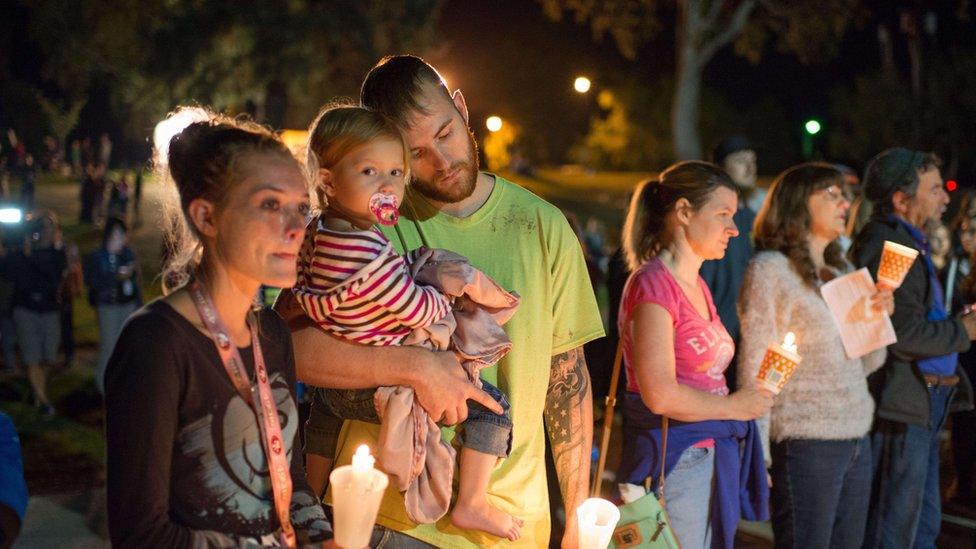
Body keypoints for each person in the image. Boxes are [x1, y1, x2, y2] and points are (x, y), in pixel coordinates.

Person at [276, 55, 603, 548]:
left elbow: (567, 378)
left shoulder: (543, 225)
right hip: (383, 517)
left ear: (461, 108)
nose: (442, 162)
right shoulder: (361, 218)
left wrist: (577, 517)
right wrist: (416, 367)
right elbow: (287, 345)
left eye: (445, 134)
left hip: (513, 524)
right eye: (416, 153)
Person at [104, 108, 331, 547]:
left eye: (301, 208)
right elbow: (141, 535)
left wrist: (319, 536)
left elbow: (292, 477)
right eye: (270, 205)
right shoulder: (155, 344)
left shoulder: (273, 333)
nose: (295, 228)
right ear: (207, 217)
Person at [295, 104, 520, 540]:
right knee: (492, 408)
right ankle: (472, 503)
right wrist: (440, 298)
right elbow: (414, 307)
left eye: (397, 174)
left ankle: (310, 485)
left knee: (322, 410)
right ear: (328, 179)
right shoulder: (364, 250)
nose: (388, 186)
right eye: (369, 171)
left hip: (337, 382)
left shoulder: (321, 230)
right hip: (375, 382)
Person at [615, 162, 771, 549]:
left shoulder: (697, 283)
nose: (734, 229)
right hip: (675, 460)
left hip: (708, 452)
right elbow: (661, 395)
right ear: (684, 212)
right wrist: (736, 407)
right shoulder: (654, 286)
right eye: (723, 215)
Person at [738, 163, 893, 548]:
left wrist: (877, 319)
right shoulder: (771, 270)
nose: (845, 203)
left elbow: (868, 363)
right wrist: (759, 455)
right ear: (796, 204)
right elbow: (756, 368)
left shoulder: (842, 268)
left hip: (856, 434)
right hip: (806, 442)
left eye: (845, 195)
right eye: (831, 194)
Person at [850, 147, 976, 548]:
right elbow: (898, 332)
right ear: (901, 200)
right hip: (901, 402)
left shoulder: (907, 243)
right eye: (935, 189)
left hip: (922, 401)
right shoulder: (891, 246)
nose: (945, 198)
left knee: (920, 525)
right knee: (896, 527)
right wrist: (963, 330)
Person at [700, 135, 760, 388]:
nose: (749, 167)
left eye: (752, 160)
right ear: (720, 167)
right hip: (714, 342)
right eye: (739, 160)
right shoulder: (708, 219)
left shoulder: (753, 218)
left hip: (748, 337)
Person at [6, 210, 66, 416]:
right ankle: (44, 401)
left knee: (49, 358)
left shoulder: (59, 254)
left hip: (49, 311)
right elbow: (8, 272)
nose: (45, 233)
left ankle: (37, 391)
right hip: (26, 310)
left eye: (51, 228)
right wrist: (23, 253)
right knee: (31, 358)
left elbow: (56, 276)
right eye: (42, 229)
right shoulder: (23, 253)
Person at [85, 217, 141, 394]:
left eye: (123, 234)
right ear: (108, 235)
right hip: (108, 306)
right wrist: (115, 277)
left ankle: (123, 382)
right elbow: (93, 282)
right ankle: (103, 384)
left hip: (127, 304)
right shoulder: (96, 257)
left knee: (127, 344)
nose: (121, 238)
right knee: (109, 344)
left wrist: (139, 304)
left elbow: (135, 282)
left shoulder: (128, 254)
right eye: (117, 234)